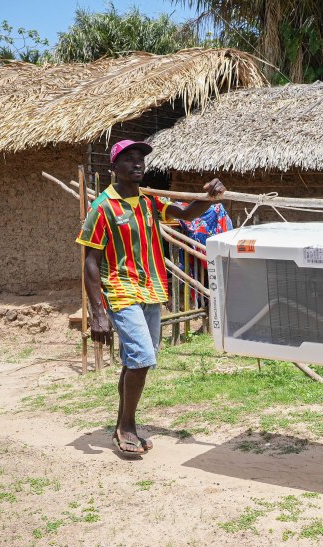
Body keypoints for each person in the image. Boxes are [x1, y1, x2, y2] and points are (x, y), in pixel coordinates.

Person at [76, 139, 227, 456]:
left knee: (136, 360)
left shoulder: (149, 202)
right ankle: (127, 427)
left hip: (151, 290)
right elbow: (90, 260)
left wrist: (210, 197)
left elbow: (187, 212)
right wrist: (98, 314)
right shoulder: (103, 207)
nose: (137, 163)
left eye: (141, 159)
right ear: (113, 168)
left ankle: (122, 427)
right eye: (128, 159)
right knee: (143, 357)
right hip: (121, 290)